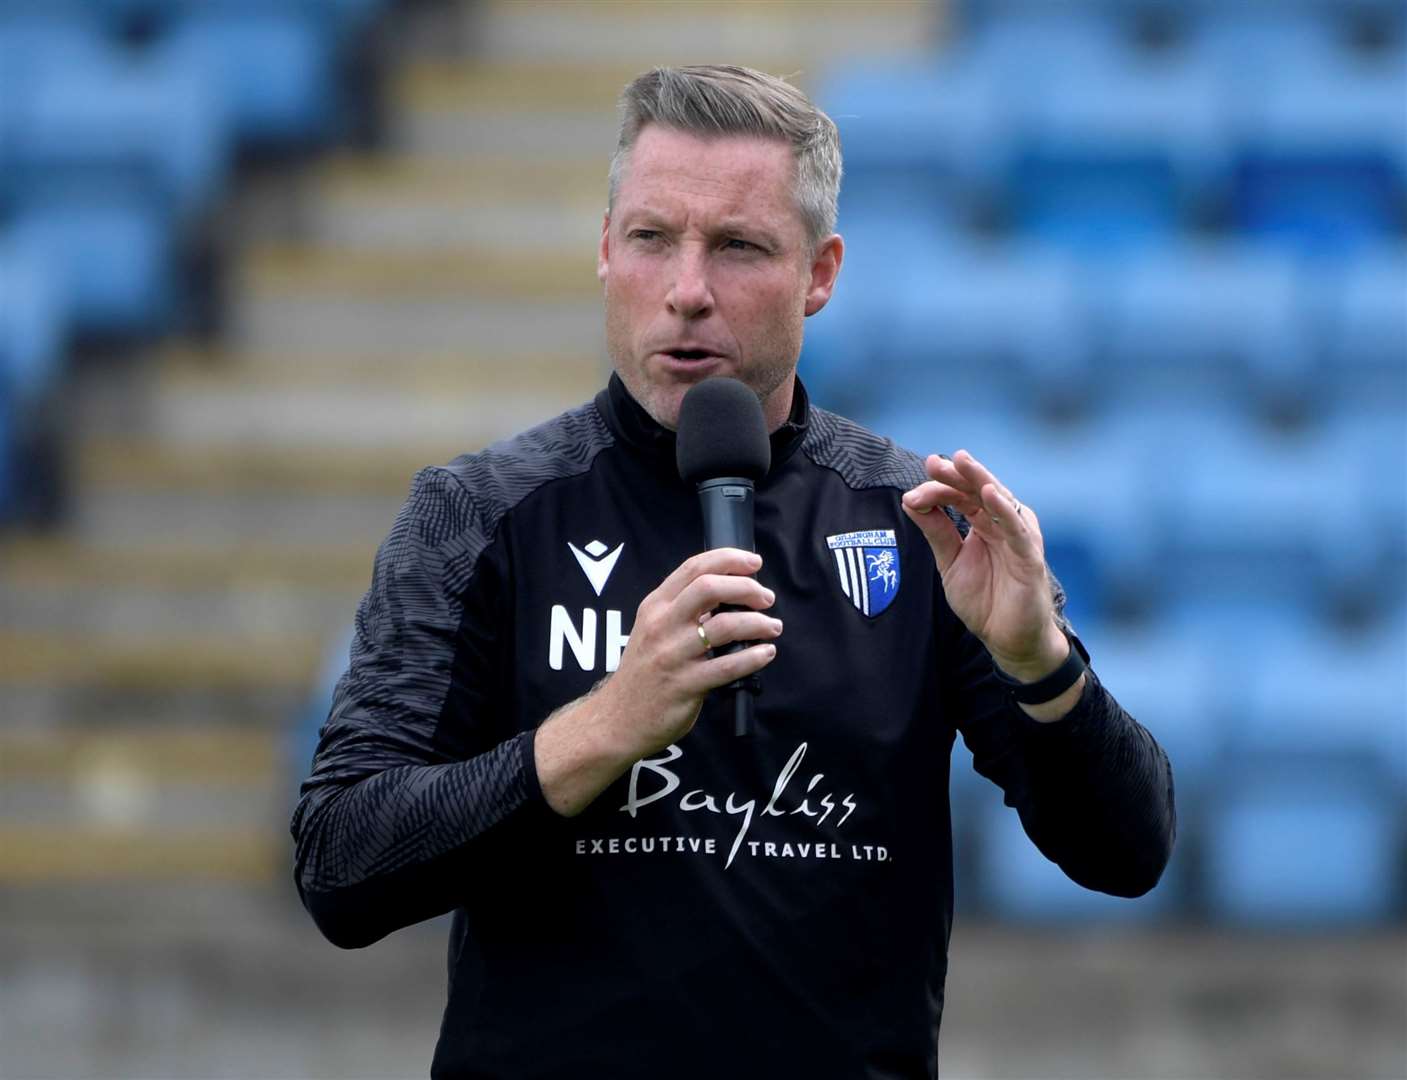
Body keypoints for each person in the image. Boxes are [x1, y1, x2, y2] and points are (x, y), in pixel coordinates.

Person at [290, 65, 1175, 1079]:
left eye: (739, 247)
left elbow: (1127, 853)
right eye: (651, 237)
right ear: (603, 247)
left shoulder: (918, 526)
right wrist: (610, 723)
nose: (687, 291)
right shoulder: (477, 515)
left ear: (821, 273)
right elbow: (340, 862)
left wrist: (1040, 665)